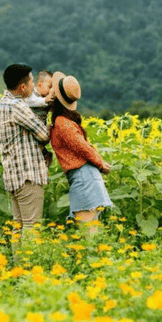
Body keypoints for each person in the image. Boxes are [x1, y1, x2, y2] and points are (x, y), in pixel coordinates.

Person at [48, 72, 113, 234]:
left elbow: (82, 146)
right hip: (83, 175)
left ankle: (92, 258)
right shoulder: (62, 122)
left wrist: (100, 163)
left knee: (87, 227)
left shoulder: (62, 123)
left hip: (83, 176)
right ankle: (94, 257)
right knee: (89, 226)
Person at [0, 64, 51, 242]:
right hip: (27, 175)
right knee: (31, 227)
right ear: (23, 87)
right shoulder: (17, 106)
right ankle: (30, 267)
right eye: (32, 82)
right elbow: (43, 135)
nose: (34, 86)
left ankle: (19, 267)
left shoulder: (2, 104)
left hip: (13, 175)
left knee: (18, 226)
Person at [24, 69, 55, 167]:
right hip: (31, 128)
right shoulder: (32, 94)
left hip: (41, 129)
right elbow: (31, 101)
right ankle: (44, 154)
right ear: (39, 85)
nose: (51, 90)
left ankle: (44, 154)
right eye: (49, 86)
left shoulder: (47, 97)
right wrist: (45, 100)